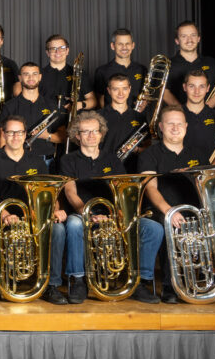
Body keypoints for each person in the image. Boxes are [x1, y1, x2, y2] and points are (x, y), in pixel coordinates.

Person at [139, 106, 215, 305]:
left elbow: (212, 183)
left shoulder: (198, 153)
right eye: (170, 123)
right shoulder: (149, 155)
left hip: (198, 212)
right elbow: (150, 188)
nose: (175, 128)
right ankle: (171, 286)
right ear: (161, 127)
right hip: (166, 211)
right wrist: (168, 210)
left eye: (179, 124)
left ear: (186, 127)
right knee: (167, 223)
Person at [59, 111, 162, 304]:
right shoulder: (68, 160)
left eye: (95, 131)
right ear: (77, 136)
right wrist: (87, 213)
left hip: (112, 214)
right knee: (73, 225)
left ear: (101, 134)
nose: (91, 135)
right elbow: (70, 192)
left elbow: (121, 192)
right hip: (82, 213)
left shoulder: (113, 160)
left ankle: (138, 281)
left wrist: (119, 215)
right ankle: (79, 280)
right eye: (85, 132)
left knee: (153, 229)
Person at [0, 115, 65, 305]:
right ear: (3, 133)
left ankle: (51, 285)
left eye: (19, 132)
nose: (15, 136)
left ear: (25, 134)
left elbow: (50, 193)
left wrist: (56, 210)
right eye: (10, 132)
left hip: (33, 216)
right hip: (3, 215)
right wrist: (4, 214)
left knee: (57, 229)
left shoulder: (37, 162)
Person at [0, 62, 66, 170]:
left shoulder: (52, 105)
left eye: (35, 74)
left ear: (40, 77)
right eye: (26, 74)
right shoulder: (10, 106)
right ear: (20, 78)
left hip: (47, 162)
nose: (31, 77)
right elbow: (3, 139)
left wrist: (47, 136)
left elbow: (63, 137)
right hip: (18, 161)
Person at [163, 21, 215, 107]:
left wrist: (203, 111)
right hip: (177, 118)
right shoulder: (167, 65)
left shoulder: (211, 62)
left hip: (207, 117)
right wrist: (182, 113)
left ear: (198, 38)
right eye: (184, 36)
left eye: (193, 35)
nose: (189, 40)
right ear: (177, 41)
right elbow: (164, 93)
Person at [182, 70, 215, 164]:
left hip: (209, 174)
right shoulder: (174, 115)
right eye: (192, 86)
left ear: (208, 88)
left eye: (202, 86)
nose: (197, 91)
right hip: (180, 174)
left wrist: (209, 174)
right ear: (184, 87)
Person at [98, 74, 146, 167]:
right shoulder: (97, 116)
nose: (121, 93)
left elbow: (147, 146)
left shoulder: (139, 117)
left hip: (132, 168)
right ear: (109, 91)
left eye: (124, 88)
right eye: (115, 89)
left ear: (129, 89)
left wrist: (135, 149)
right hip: (104, 168)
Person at [39, 34, 95, 110]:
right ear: (48, 53)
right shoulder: (38, 75)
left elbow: (93, 100)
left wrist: (80, 105)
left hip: (75, 120)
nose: (57, 52)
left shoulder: (79, 73)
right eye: (53, 48)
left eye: (62, 48)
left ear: (67, 51)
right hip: (47, 120)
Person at [93, 28, 146, 108]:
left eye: (127, 44)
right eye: (120, 44)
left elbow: (146, 94)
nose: (124, 47)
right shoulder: (102, 71)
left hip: (138, 118)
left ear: (133, 45)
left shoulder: (142, 69)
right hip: (111, 119)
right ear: (112, 46)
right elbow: (99, 100)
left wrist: (145, 102)